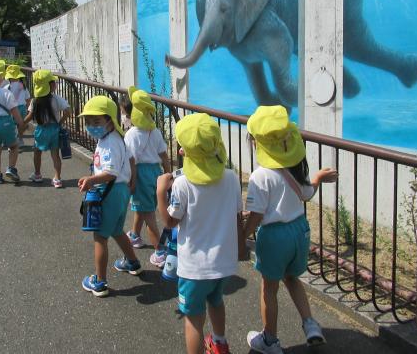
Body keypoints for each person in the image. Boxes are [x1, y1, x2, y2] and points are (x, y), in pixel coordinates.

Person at [242, 105, 338, 354]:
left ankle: (269, 340)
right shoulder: (295, 167)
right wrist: (317, 178)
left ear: (257, 142)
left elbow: (257, 216)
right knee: (292, 278)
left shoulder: (260, 176)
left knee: (269, 288)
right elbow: (306, 193)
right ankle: (310, 324)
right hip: (299, 231)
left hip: (274, 237)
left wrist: (241, 236)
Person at [156, 112, 246, 354]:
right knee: (216, 301)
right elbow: (237, 217)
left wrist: (160, 192)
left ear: (185, 152)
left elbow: (170, 222)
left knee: (194, 319)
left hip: (194, 268)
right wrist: (241, 249)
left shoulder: (183, 184)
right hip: (223, 264)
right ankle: (219, 343)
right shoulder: (231, 178)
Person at [78, 95, 141, 298]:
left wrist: (91, 180)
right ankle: (132, 262)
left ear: (110, 120)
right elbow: (130, 159)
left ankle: (100, 281)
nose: (91, 126)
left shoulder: (110, 142)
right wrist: (132, 179)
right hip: (120, 191)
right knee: (116, 230)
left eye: (96, 121)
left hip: (110, 191)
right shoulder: (114, 137)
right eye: (88, 121)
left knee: (100, 236)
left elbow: (111, 173)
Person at [123, 86, 171, 268]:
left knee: (148, 213)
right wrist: (168, 176)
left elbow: (130, 161)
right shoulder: (155, 131)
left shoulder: (131, 134)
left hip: (140, 174)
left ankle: (159, 251)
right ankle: (135, 235)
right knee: (143, 207)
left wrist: (131, 182)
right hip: (155, 173)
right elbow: (164, 156)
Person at [22, 69, 70, 187]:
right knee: (55, 155)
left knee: (37, 152)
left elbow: (30, 116)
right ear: (50, 85)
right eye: (54, 82)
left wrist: (21, 123)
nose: (55, 84)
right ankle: (57, 178)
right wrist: (60, 123)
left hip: (41, 130)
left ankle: (37, 174)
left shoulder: (35, 100)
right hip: (55, 129)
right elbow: (68, 111)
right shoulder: (56, 98)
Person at [5, 65, 31, 146]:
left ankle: (12, 140)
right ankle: (20, 139)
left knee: (11, 125)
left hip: (11, 108)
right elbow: (28, 99)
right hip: (22, 107)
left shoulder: (7, 87)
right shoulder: (23, 86)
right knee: (21, 124)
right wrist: (28, 109)